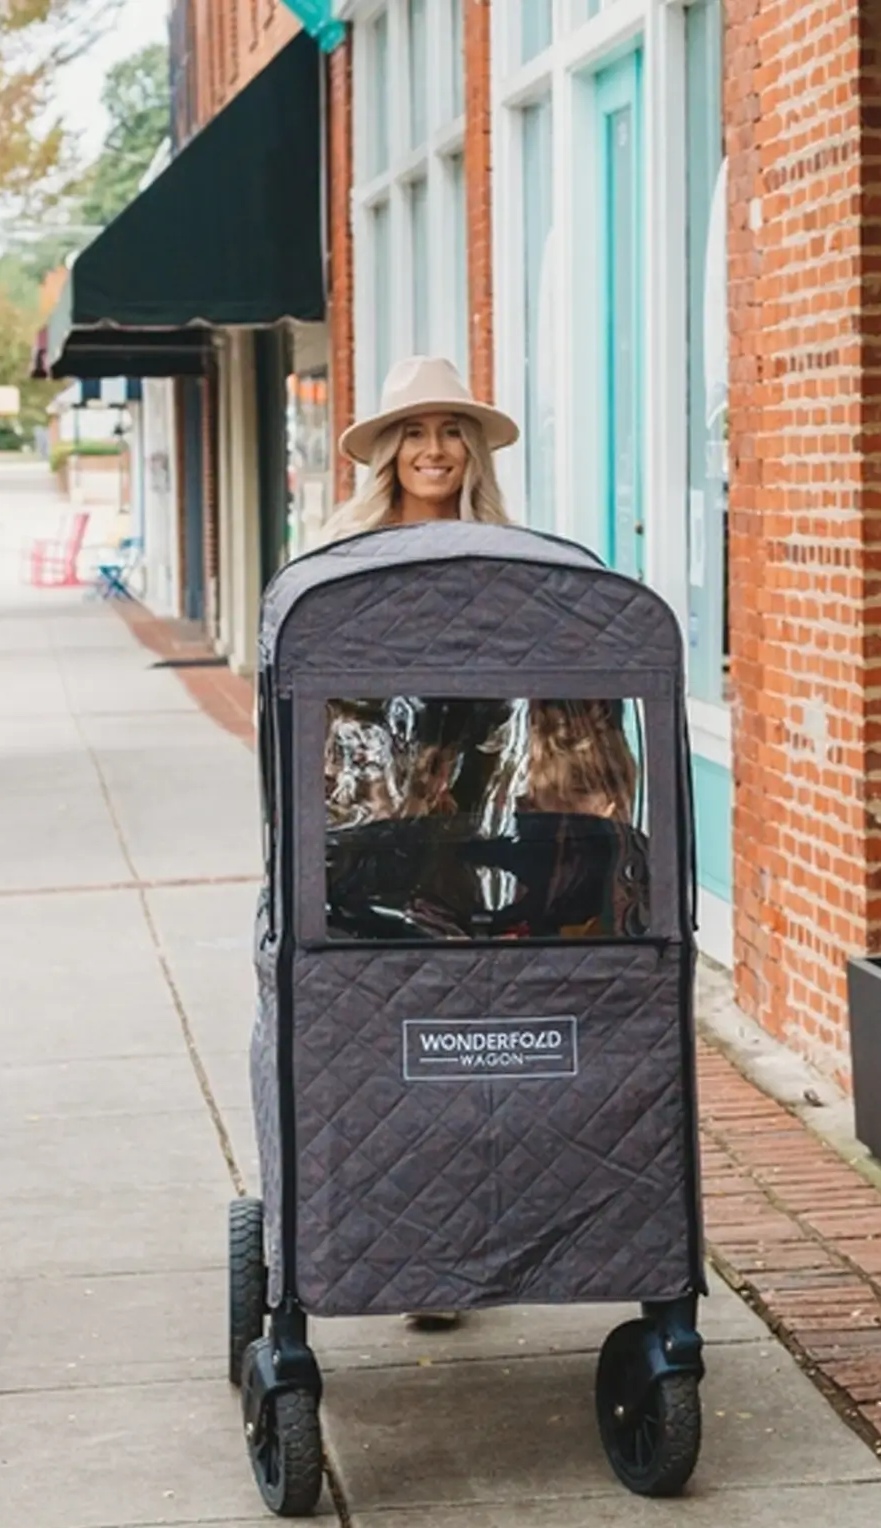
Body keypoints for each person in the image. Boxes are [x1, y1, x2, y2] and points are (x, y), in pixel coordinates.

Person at [322, 357, 642, 1329]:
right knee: (396, 1048)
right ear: (385, 451)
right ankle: (415, 1251)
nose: (432, 449)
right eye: (413, 433)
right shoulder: (341, 559)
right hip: (384, 837)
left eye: (449, 430)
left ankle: (482, 1242)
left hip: (488, 841)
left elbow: (561, 701)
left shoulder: (512, 559)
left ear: (472, 448)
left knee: (484, 1045)